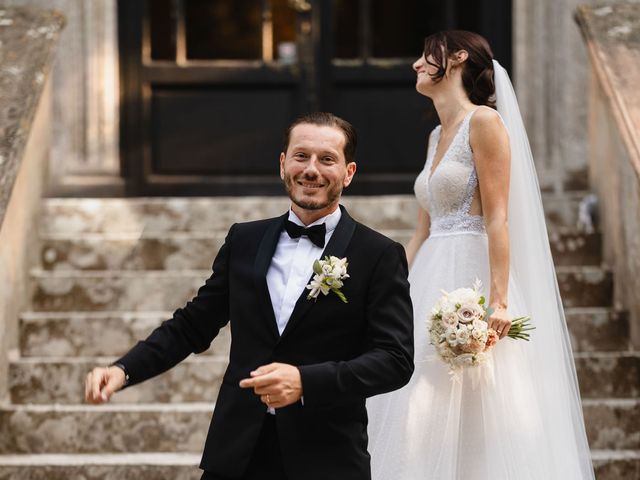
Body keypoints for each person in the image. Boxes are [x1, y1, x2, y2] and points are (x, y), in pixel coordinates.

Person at [84, 112, 414, 480]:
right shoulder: (244, 240)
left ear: (348, 172)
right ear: (283, 164)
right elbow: (192, 325)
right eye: (301, 156)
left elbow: (395, 359)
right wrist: (124, 369)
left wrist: (307, 381)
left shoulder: (379, 254)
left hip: (327, 457)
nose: (311, 170)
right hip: (237, 453)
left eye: (327, 159)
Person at [366, 31, 595, 479]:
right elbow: (422, 229)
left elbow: (497, 219)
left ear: (455, 59)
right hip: (429, 273)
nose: (415, 64)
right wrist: (391, 289)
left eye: (424, 56)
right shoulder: (435, 135)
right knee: (416, 402)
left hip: (469, 277)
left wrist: (500, 300)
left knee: (482, 403)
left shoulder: (485, 123)